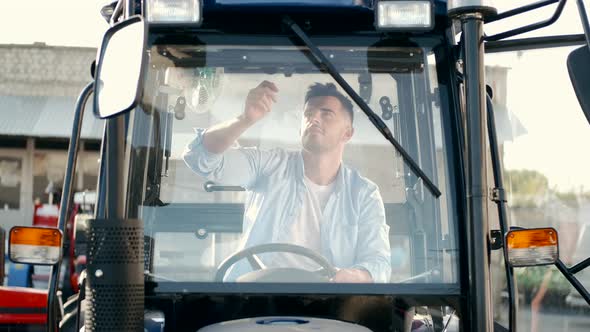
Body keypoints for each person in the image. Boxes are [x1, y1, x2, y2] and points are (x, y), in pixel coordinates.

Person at [183, 80, 391, 282]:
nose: (314, 119)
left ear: (348, 133)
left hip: (327, 306)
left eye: (326, 113)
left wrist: (353, 276)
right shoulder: (269, 165)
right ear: (300, 128)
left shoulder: (364, 194)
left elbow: (378, 264)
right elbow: (200, 158)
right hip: (252, 298)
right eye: (308, 114)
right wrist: (245, 118)